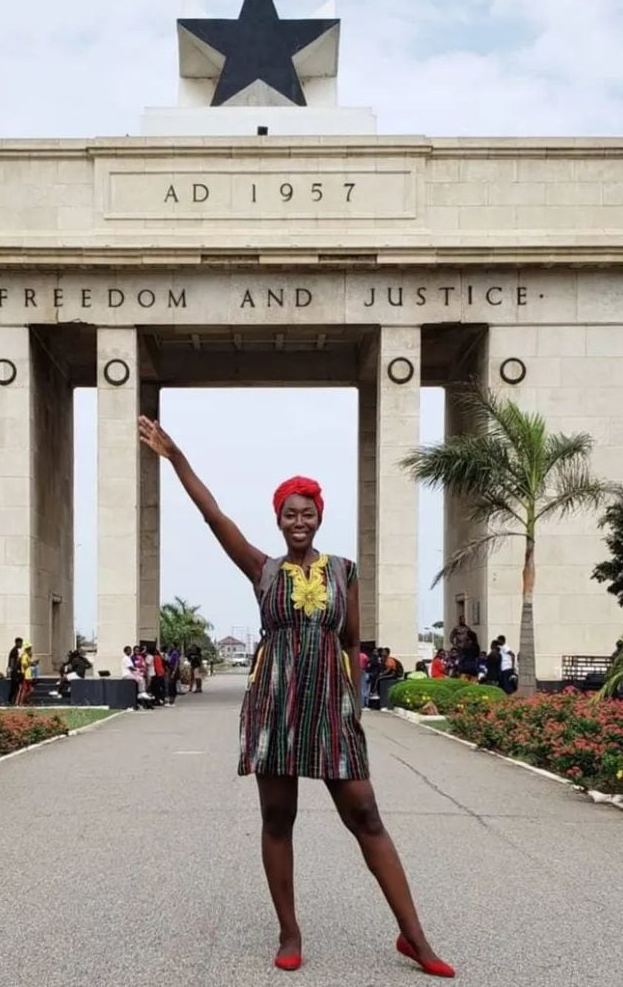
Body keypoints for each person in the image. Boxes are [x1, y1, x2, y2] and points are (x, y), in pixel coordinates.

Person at [139, 417, 453, 978]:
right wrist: (177, 457)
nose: (299, 521)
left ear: (319, 517)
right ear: (279, 519)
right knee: (278, 818)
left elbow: (353, 641)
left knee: (367, 815)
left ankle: (416, 938)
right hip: (274, 709)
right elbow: (215, 517)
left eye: (307, 512)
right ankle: (289, 930)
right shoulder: (262, 570)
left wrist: (352, 704)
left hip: (331, 709)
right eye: (290, 513)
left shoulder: (344, 572)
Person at [7, 637, 24, 705]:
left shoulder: (16, 651)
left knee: (16, 687)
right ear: (17, 643)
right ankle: (10, 701)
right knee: (14, 687)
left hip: (15, 671)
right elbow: (12, 661)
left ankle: (13, 701)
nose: (21, 645)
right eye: (20, 643)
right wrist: (14, 670)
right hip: (14, 672)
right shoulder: (14, 651)